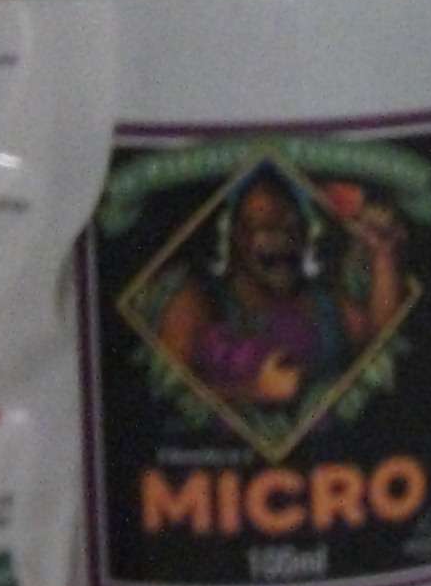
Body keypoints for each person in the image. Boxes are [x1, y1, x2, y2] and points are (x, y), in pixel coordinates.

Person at [159, 170, 408, 408]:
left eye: (292, 228)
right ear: (237, 236)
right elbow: (165, 391)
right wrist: (252, 391)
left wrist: (383, 256)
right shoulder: (199, 299)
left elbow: (381, 345)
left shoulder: (327, 304)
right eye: (266, 226)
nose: (282, 239)